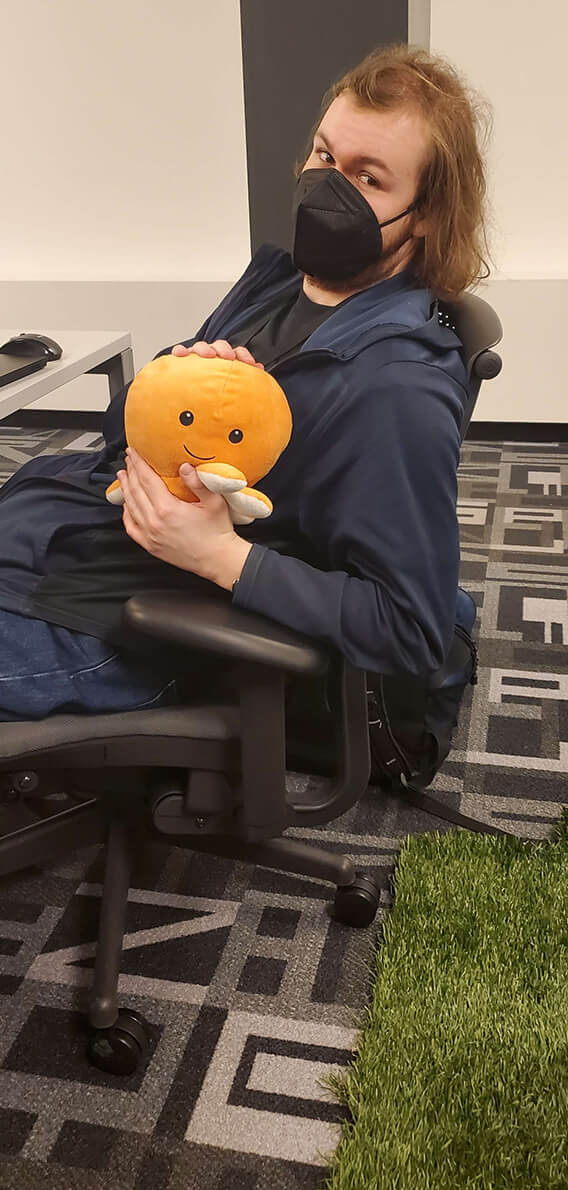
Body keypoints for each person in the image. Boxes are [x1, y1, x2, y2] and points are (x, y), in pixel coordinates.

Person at [0, 45, 486, 722]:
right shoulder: (285, 283)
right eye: (325, 156)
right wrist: (179, 372)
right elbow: (125, 435)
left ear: (427, 213)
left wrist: (221, 555)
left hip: (136, 623)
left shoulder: (396, 389)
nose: (328, 187)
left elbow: (410, 629)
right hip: (75, 545)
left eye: (368, 179)